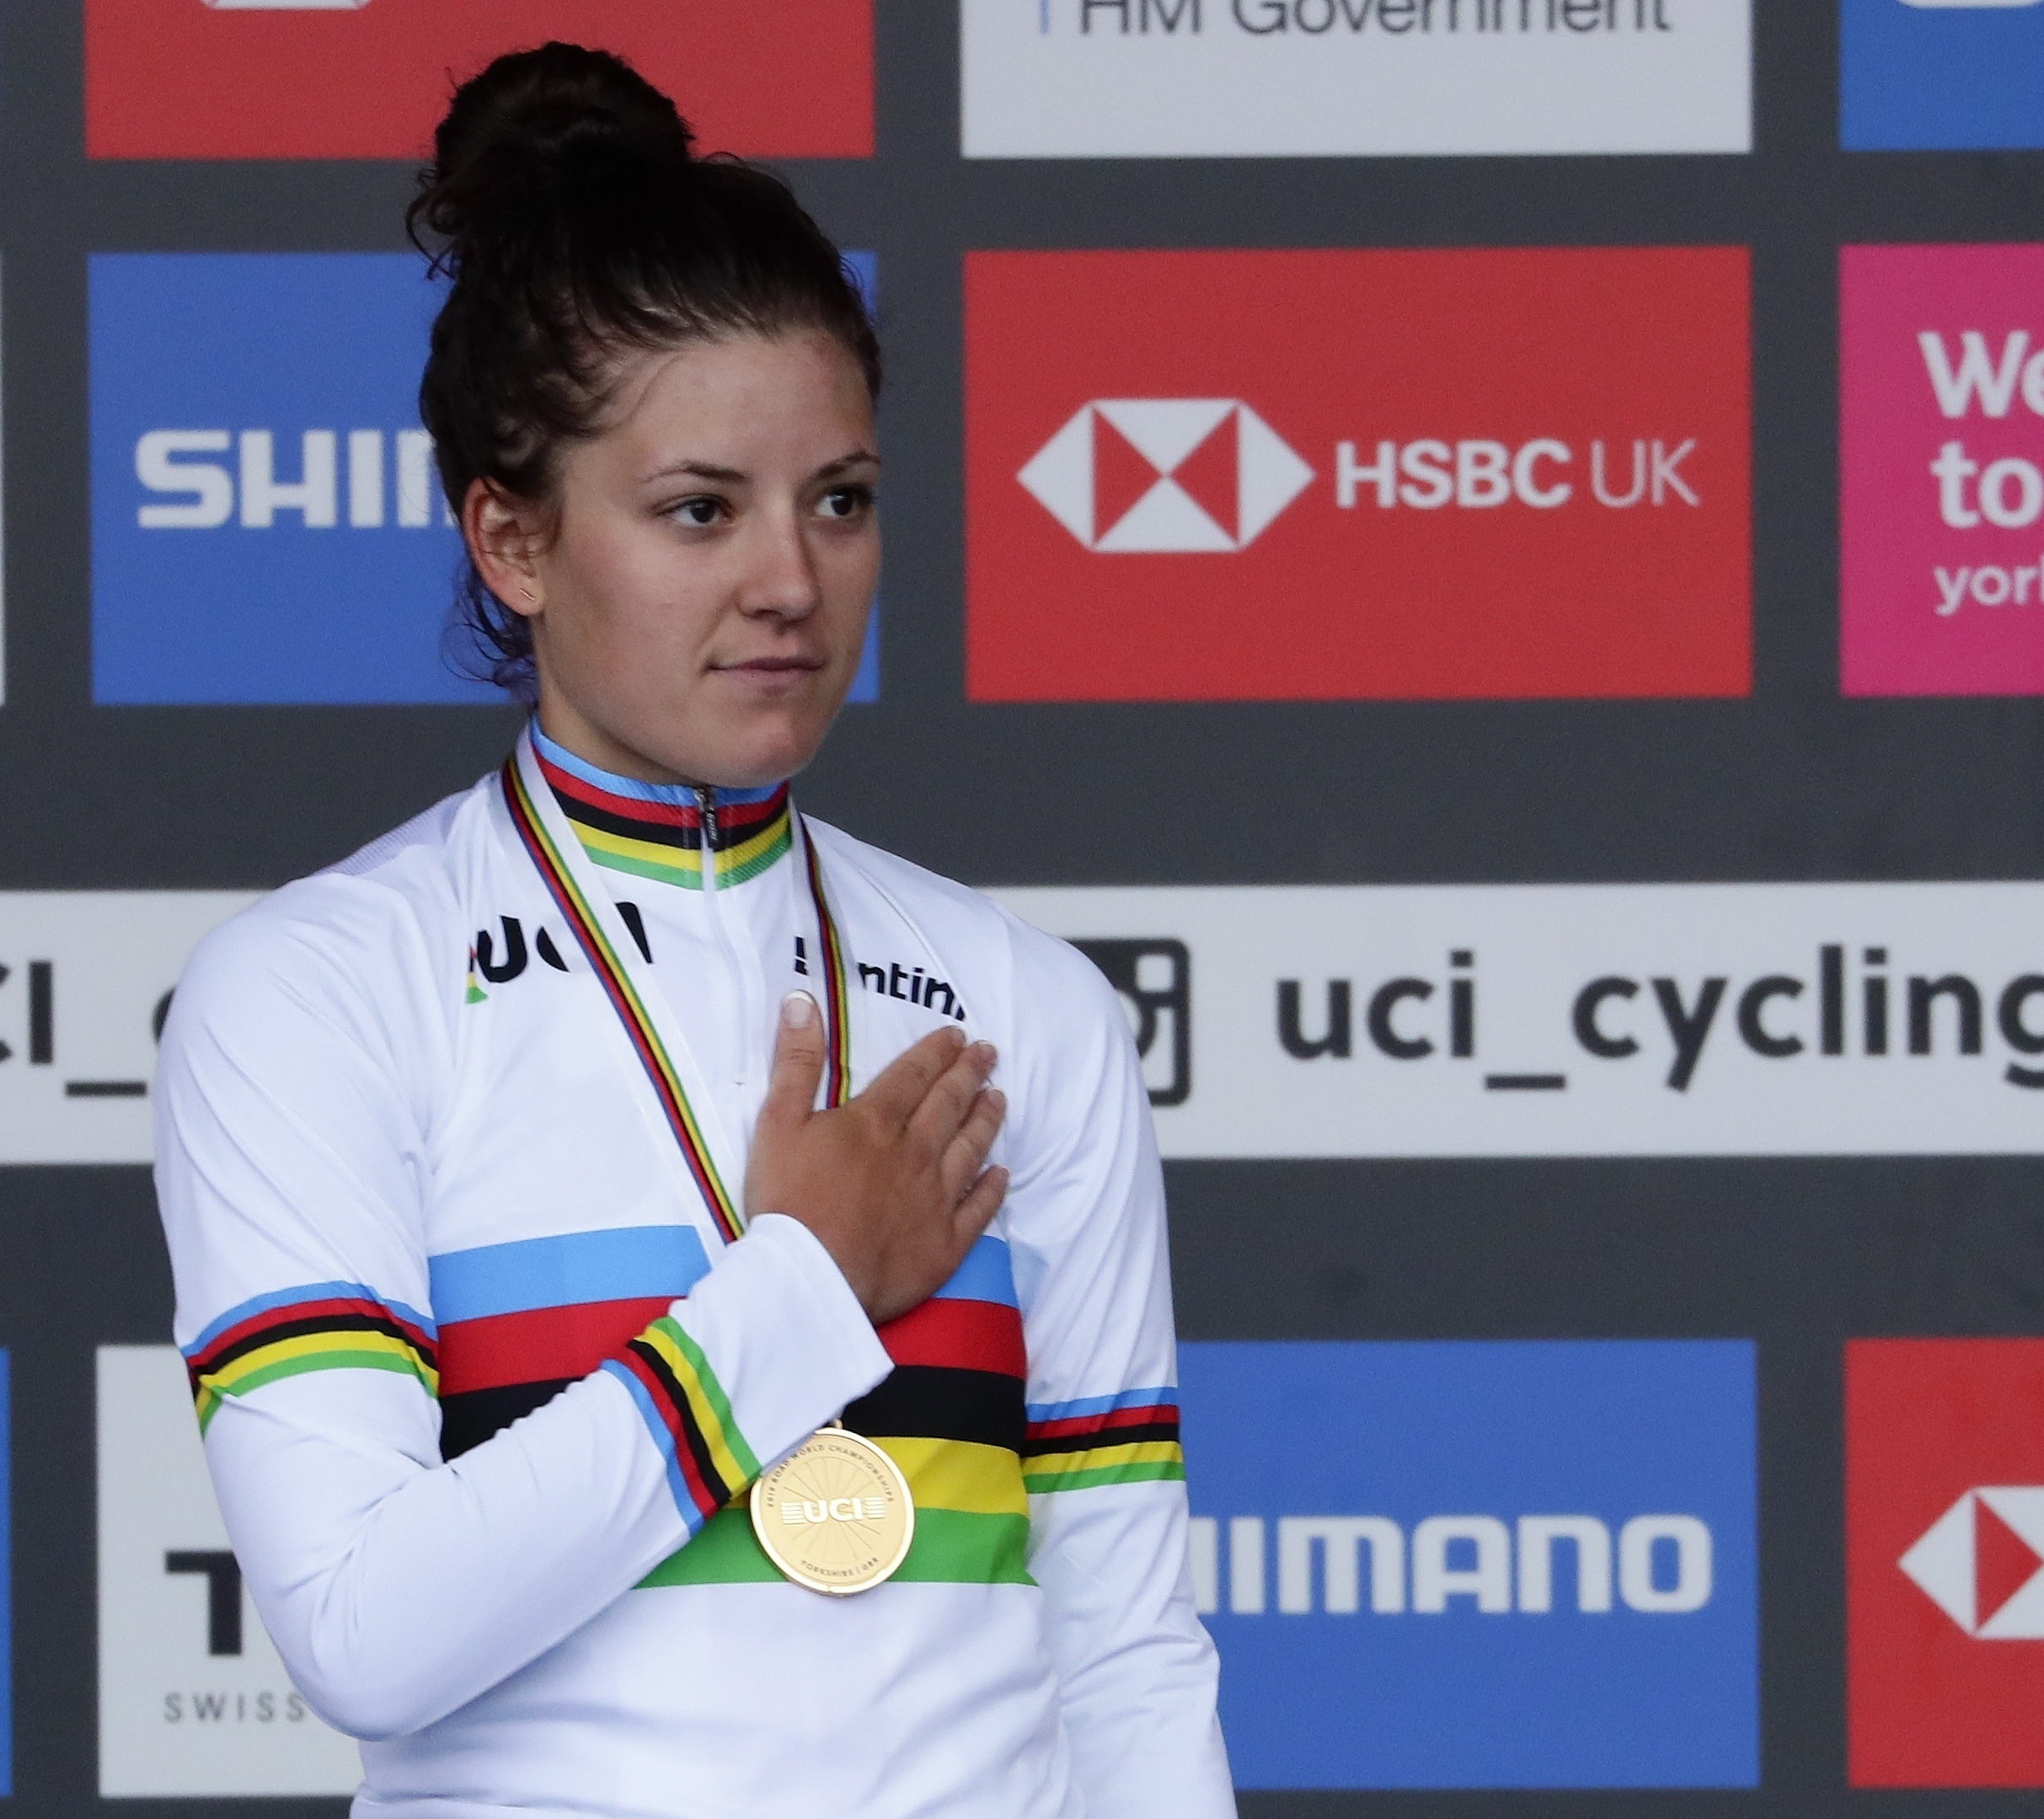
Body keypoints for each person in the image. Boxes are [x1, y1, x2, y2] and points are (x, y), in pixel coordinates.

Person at [151, 42, 1233, 1819]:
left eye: (839, 499)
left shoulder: (1023, 1006)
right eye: (695, 510)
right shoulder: (319, 992)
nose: (790, 583)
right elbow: (363, 1631)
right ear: (509, 538)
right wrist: (800, 1293)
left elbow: (1121, 1652)